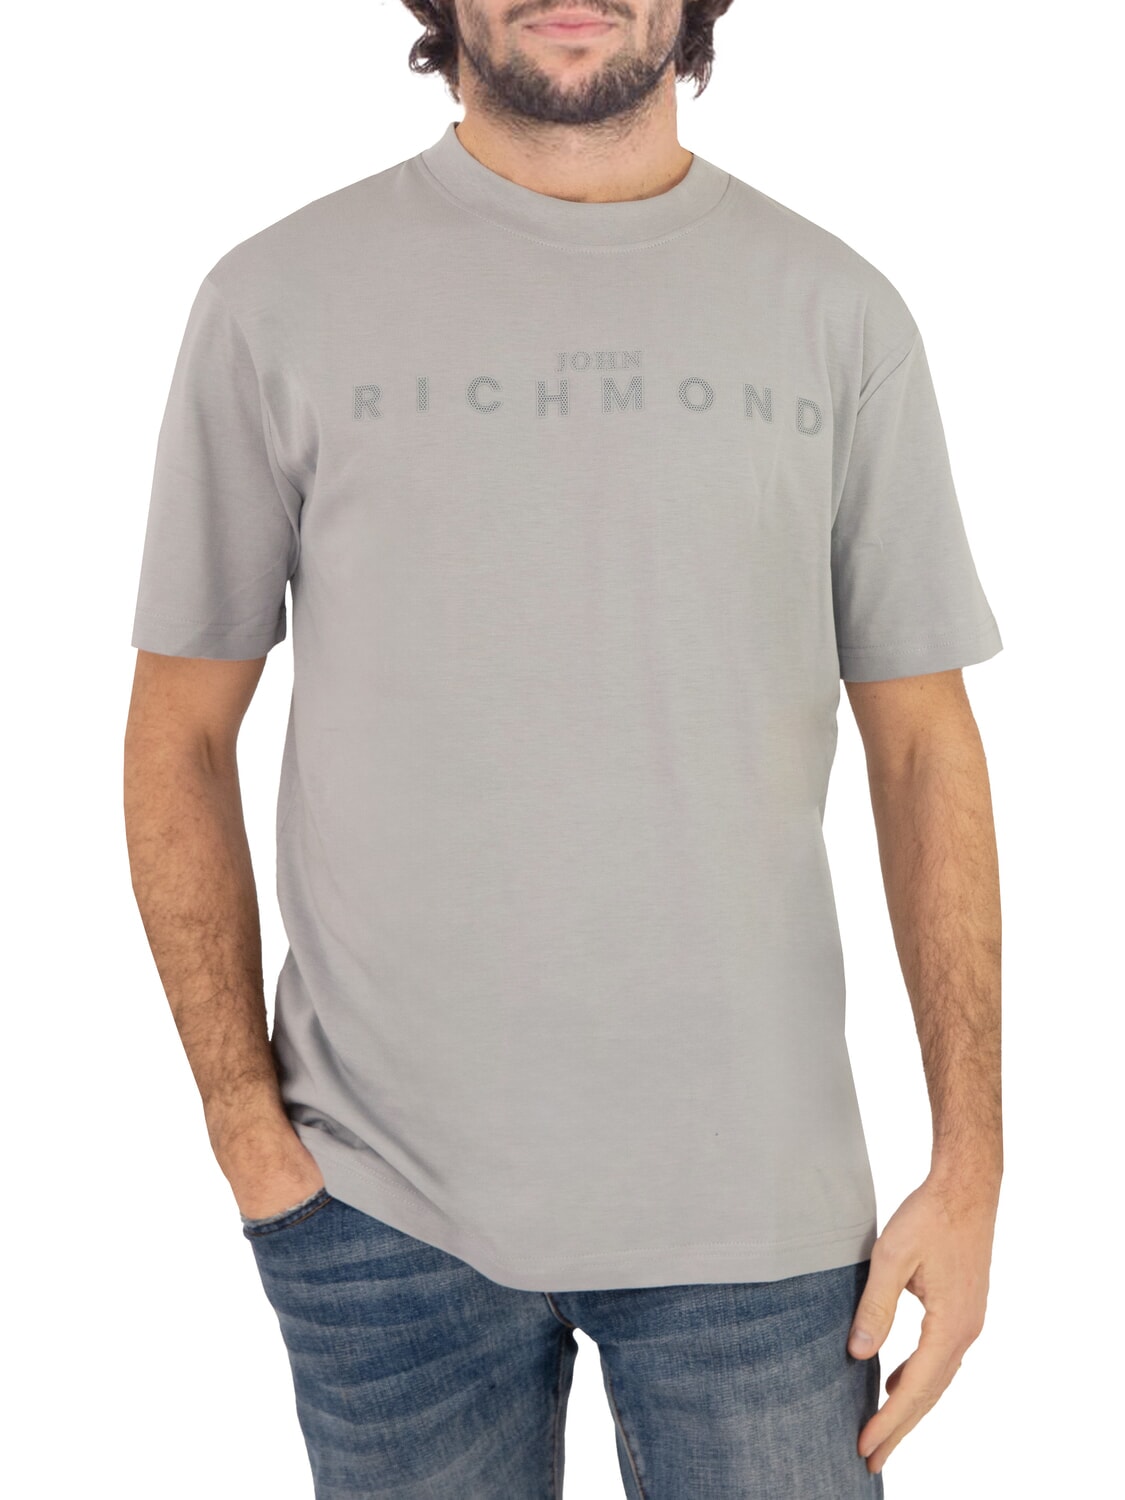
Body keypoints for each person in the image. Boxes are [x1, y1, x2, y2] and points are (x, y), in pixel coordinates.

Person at [123, 1, 1004, 1494]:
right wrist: (244, 1131)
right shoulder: (275, 298)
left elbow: (925, 746)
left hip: (765, 1218)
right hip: (376, 1213)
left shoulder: (838, 311)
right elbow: (179, 730)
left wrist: (970, 1165)